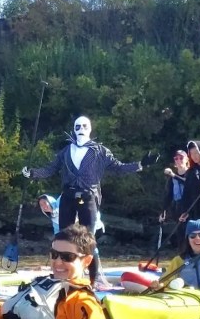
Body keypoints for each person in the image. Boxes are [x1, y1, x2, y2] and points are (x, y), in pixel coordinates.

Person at [22, 115, 157, 279]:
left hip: (88, 196)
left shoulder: (100, 151)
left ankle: (95, 278)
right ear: (73, 129)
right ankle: (62, 273)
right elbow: (50, 170)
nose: (81, 130)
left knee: (89, 238)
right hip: (68, 196)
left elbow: (118, 168)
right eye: (78, 127)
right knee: (64, 235)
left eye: (84, 127)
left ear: (90, 129)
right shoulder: (65, 151)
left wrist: (140, 165)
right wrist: (32, 173)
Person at [160, 149, 189, 245]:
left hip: (190, 208)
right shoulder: (172, 177)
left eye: (181, 158)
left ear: (187, 160)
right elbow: (168, 195)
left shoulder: (191, 173)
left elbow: (188, 183)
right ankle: (182, 256)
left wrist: (173, 175)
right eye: (176, 158)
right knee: (180, 235)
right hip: (178, 208)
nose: (179, 160)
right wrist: (163, 211)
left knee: (190, 233)